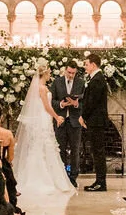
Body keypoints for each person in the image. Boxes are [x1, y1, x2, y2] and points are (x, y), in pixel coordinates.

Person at [13, 64, 75, 200]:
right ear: (44, 74)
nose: (50, 75)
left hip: (44, 119)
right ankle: (41, 179)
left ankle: (51, 177)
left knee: (46, 146)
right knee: (42, 146)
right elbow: (46, 106)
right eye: (49, 73)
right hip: (43, 118)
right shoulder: (41, 88)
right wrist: (57, 116)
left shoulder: (41, 87)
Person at [80, 53, 110, 192]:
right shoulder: (95, 79)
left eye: (86, 64)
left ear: (93, 64)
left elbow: (92, 102)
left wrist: (83, 116)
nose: (85, 67)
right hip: (94, 120)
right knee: (96, 151)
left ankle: (101, 182)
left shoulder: (97, 80)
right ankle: (98, 180)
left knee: (98, 152)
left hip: (96, 120)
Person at [50, 60, 84, 186]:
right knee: (61, 149)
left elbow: (84, 102)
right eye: (69, 72)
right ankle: (62, 176)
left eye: (73, 73)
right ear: (65, 70)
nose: (70, 75)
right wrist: (61, 104)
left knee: (75, 150)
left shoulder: (81, 83)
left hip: (75, 121)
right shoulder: (57, 82)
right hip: (61, 120)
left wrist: (76, 104)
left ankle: (73, 178)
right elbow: (51, 100)